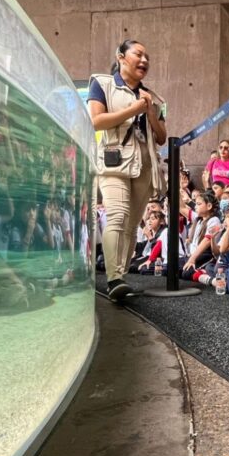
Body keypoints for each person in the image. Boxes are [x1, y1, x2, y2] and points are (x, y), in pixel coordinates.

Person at [88, 39, 166, 301]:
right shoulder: (102, 83)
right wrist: (134, 109)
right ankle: (114, 278)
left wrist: (151, 112)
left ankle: (120, 276)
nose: (144, 61)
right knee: (118, 216)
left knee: (132, 225)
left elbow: (162, 137)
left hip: (144, 164)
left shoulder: (153, 96)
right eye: (138, 54)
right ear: (121, 56)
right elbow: (97, 121)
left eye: (147, 57)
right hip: (114, 162)